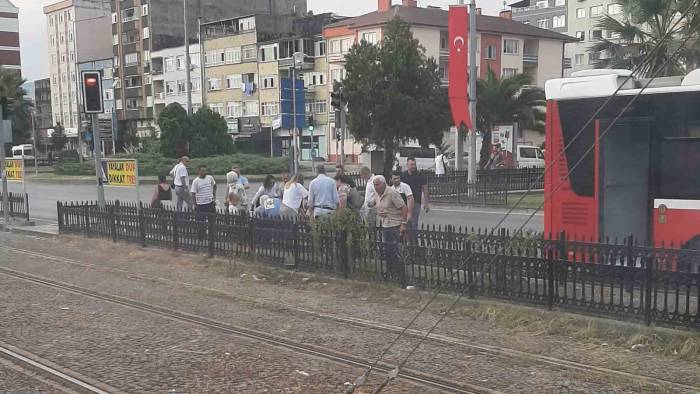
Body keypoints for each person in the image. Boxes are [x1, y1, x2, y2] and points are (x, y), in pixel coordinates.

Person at [373, 175, 408, 287]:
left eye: (377, 184)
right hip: (385, 225)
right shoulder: (377, 194)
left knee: (396, 253)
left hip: (394, 225)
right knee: (388, 253)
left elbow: (403, 207)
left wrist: (403, 224)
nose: (375, 187)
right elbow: (377, 206)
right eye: (374, 185)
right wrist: (378, 212)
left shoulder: (392, 192)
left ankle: (402, 279)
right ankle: (391, 275)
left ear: (383, 184)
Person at [402, 157, 430, 233]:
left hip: (416, 202)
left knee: (413, 222)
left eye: (414, 164)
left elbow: (425, 189)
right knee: (404, 222)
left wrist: (426, 203)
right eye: (411, 164)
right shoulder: (403, 175)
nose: (413, 166)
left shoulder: (420, 175)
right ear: (407, 165)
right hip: (404, 203)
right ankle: (406, 240)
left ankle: (413, 241)